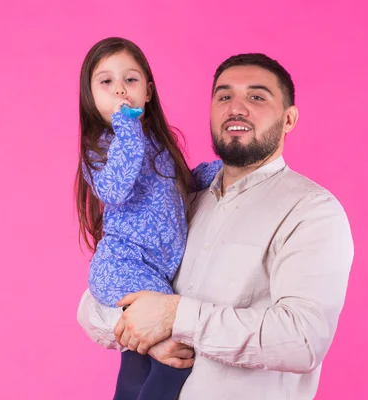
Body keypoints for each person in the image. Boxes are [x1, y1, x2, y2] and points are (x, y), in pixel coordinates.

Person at [78, 52, 354, 400]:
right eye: (224, 96)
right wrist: (146, 336)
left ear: (289, 118)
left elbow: (302, 341)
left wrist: (176, 317)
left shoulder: (310, 211)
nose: (236, 108)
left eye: (256, 96)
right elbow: (91, 308)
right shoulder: (182, 198)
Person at [75, 37, 221, 400]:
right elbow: (115, 189)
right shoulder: (100, 147)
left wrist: (223, 170)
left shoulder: (155, 141)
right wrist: (126, 127)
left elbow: (179, 186)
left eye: (131, 80)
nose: (120, 90)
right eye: (106, 82)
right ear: (91, 97)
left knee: (138, 361)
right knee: (175, 354)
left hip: (153, 269)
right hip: (125, 266)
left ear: (149, 91)